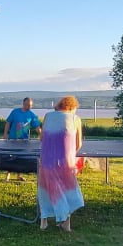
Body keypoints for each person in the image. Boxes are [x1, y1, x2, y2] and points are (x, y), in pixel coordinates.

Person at [37, 96, 85, 231]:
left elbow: (42, 138)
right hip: (65, 161)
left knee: (46, 189)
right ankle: (66, 223)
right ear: (72, 107)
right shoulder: (75, 119)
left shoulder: (48, 116)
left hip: (47, 160)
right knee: (67, 189)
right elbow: (79, 143)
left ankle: (43, 221)